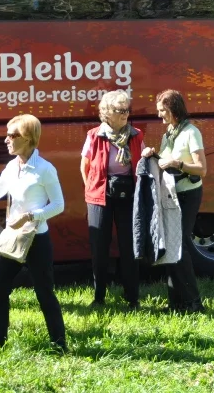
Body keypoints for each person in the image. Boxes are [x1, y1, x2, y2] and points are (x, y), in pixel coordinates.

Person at [0, 115, 67, 350]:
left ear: (27, 139)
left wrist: (31, 216)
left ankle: (59, 344)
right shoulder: (11, 166)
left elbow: (58, 205)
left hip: (37, 238)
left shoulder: (45, 169)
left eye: (11, 135)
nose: (6, 139)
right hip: (14, 238)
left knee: (44, 293)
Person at [142, 90, 206, 313]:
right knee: (171, 246)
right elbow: (164, 163)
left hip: (188, 195)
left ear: (174, 109)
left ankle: (193, 303)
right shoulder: (169, 132)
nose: (160, 115)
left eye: (163, 111)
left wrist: (178, 163)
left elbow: (202, 169)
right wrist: (153, 155)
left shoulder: (191, 132)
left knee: (180, 247)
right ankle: (176, 303)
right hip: (171, 194)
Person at [82, 90, 145, 310]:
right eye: (120, 110)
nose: (125, 114)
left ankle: (132, 298)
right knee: (99, 247)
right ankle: (99, 297)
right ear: (108, 113)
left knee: (130, 247)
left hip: (128, 197)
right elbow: (85, 167)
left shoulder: (136, 135)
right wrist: (93, 189)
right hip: (99, 198)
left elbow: (142, 165)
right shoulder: (94, 135)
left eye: (127, 110)